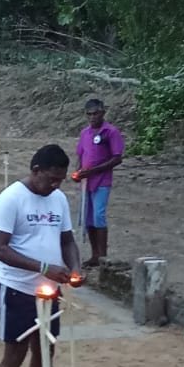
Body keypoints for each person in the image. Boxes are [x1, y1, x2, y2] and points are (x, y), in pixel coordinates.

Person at [0, 144, 81, 367]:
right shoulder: (10, 199)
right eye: (51, 179)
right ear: (36, 170)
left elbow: (67, 240)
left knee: (45, 351)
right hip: (15, 288)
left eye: (60, 180)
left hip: (50, 290)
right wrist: (43, 267)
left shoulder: (58, 200)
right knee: (14, 354)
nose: (55, 185)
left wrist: (75, 268)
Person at [74, 97, 125, 268]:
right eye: (89, 114)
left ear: (102, 112)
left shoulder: (110, 132)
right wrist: (78, 171)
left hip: (102, 180)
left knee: (99, 215)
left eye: (95, 113)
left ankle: (103, 255)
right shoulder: (85, 133)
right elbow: (80, 154)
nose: (92, 117)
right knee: (88, 217)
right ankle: (94, 254)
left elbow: (117, 158)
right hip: (86, 181)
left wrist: (95, 170)